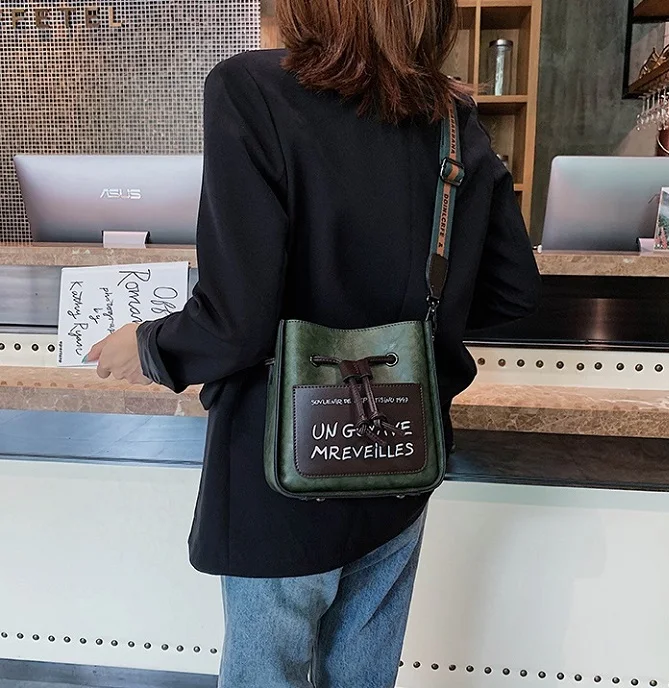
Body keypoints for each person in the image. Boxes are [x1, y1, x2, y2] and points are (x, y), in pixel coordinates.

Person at [87, 0, 541, 684]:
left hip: (282, 467)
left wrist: (150, 347)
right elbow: (512, 293)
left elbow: (235, 320)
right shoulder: (452, 118)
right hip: (398, 457)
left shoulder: (250, 89)